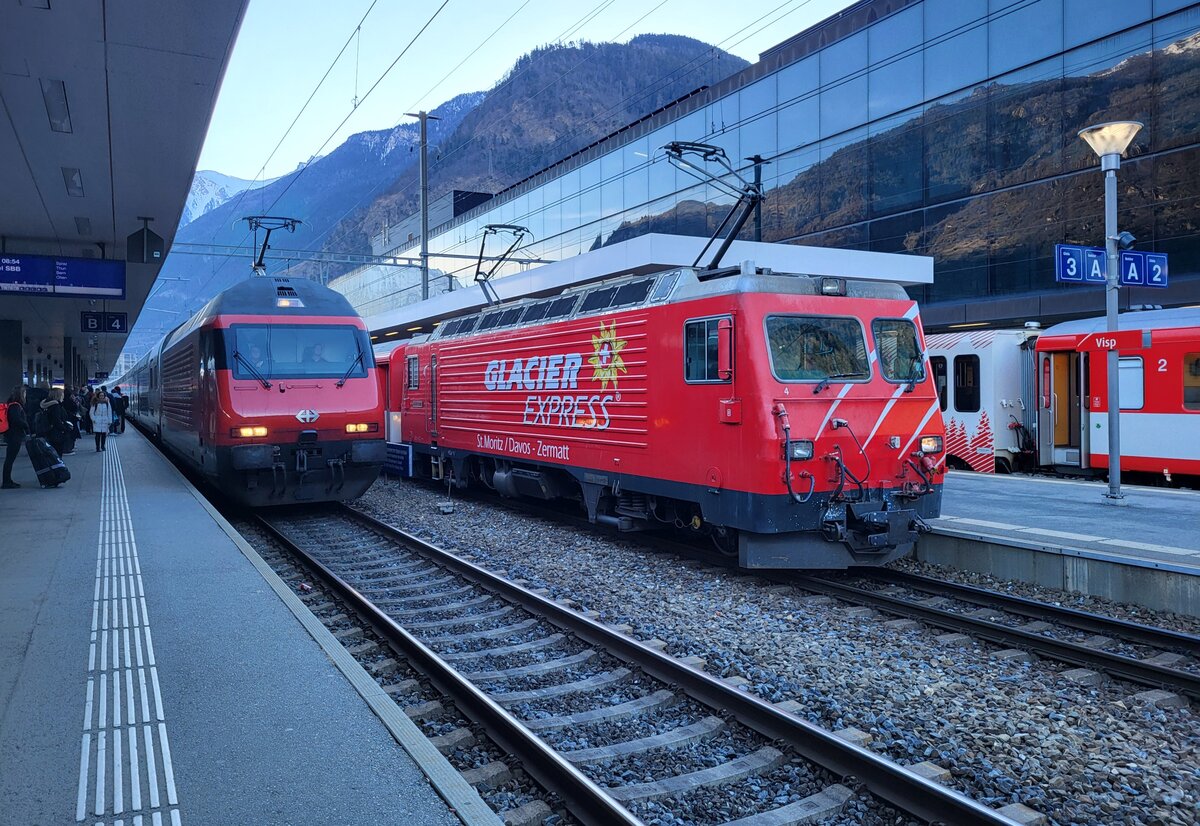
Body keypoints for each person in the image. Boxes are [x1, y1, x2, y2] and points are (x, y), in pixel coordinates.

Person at [3, 386, 29, 489]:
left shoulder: (11, 404)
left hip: (11, 434)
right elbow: (16, 420)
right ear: (20, 394)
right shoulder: (15, 406)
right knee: (10, 459)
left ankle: (7, 480)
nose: (25, 395)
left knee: (10, 459)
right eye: (24, 393)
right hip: (14, 435)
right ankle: (6, 481)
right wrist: (26, 425)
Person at [39, 388, 75, 456]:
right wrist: (65, 428)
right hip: (56, 432)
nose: (63, 395)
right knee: (57, 453)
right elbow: (57, 420)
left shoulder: (45, 405)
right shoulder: (56, 406)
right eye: (62, 393)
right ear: (58, 395)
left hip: (47, 430)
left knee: (51, 453)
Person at [91, 387, 113, 452]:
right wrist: (94, 419)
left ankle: (103, 446)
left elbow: (109, 412)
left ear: (104, 396)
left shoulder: (107, 403)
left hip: (105, 421)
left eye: (102, 395)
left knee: (104, 435)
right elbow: (91, 412)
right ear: (98, 396)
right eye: (100, 395)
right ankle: (97, 447)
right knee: (97, 435)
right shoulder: (95, 403)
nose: (101, 397)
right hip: (97, 421)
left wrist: (110, 421)